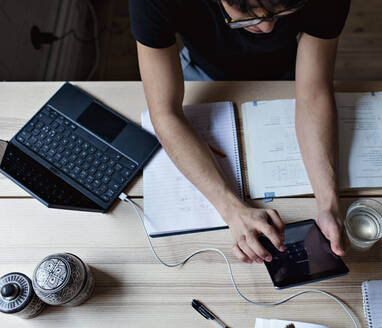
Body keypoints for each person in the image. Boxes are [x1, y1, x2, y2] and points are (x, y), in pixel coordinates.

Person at [129, 0, 350, 264]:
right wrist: (232, 210)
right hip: (200, 70)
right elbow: (165, 113)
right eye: (248, 15)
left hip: (288, 70)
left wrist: (328, 204)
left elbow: (313, 94)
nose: (267, 27)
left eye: (281, 12)